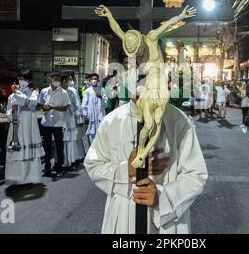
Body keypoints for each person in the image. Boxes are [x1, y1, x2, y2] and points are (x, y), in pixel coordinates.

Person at [83, 99, 208, 233]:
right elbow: (93, 164)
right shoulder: (112, 121)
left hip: (166, 219)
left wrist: (163, 198)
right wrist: (126, 170)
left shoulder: (178, 121)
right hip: (124, 213)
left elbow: (196, 174)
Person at [5, 70, 45, 195]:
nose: (22, 81)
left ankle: (28, 180)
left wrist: (16, 92)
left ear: (29, 80)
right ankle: (15, 180)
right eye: (20, 78)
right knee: (15, 155)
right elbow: (7, 113)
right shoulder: (12, 96)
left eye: (25, 79)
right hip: (15, 128)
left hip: (28, 128)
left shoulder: (33, 92)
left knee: (27, 154)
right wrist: (12, 112)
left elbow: (31, 105)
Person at [38, 71, 71, 177]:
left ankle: (59, 167)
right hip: (46, 122)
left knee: (59, 146)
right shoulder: (44, 91)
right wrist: (45, 107)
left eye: (58, 79)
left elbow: (65, 107)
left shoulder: (63, 93)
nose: (57, 80)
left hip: (58, 123)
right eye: (55, 78)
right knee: (46, 147)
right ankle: (47, 168)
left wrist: (53, 107)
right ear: (50, 78)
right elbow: (40, 105)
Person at [67, 70, 88, 162]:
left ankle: (78, 155)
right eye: (72, 78)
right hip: (73, 116)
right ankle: (77, 156)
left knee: (77, 137)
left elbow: (77, 104)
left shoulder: (73, 90)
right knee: (76, 137)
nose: (73, 80)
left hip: (75, 116)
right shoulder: (71, 90)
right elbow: (76, 105)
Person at [61, 73, 80, 172]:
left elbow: (77, 105)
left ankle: (70, 161)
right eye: (68, 80)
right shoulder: (57, 91)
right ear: (63, 81)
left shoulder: (72, 92)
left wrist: (69, 107)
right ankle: (60, 162)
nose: (70, 82)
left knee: (69, 141)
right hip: (59, 119)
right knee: (60, 141)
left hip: (69, 118)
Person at [81, 73, 107, 145]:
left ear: (98, 80)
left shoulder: (102, 89)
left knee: (100, 132)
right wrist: (85, 115)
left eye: (95, 79)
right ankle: (91, 150)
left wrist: (101, 97)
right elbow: (84, 104)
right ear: (90, 80)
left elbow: (106, 102)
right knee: (91, 133)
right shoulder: (88, 91)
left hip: (100, 114)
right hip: (91, 115)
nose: (93, 80)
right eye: (92, 79)